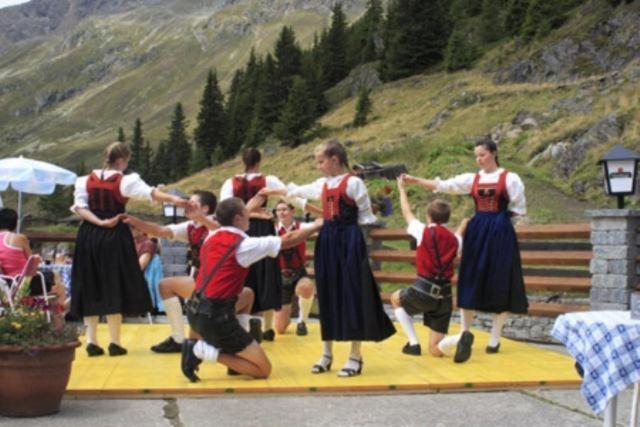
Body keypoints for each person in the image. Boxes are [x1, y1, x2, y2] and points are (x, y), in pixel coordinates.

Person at [265, 140, 395, 377]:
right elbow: (298, 191)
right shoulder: (322, 184)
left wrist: (352, 238)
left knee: (351, 293)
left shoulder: (354, 183)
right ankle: (327, 353)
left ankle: (355, 356)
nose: (318, 166)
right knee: (327, 292)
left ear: (335, 160)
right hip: (328, 241)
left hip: (350, 242)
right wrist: (277, 190)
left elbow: (365, 217)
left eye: (321, 161)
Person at [402, 135, 528, 363]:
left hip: (500, 231)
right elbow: (445, 185)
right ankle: (465, 332)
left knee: (501, 278)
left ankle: (494, 337)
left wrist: (503, 224)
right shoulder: (473, 179)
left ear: (493, 153)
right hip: (477, 231)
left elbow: (519, 209)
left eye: (482, 155)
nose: (479, 159)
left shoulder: (511, 178)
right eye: (476, 156)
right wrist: (416, 180)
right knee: (470, 277)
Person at [181, 197, 322, 382]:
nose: (250, 216)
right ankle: (202, 350)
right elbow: (288, 240)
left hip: (195, 309)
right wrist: (318, 225)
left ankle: (230, 354)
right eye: (247, 214)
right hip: (216, 319)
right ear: (238, 219)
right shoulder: (243, 245)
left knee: (247, 294)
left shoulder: (212, 235)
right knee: (262, 370)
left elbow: (223, 220)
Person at [70, 142, 188, 357]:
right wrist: (174, 199)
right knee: (114, 281)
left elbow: (80, 208)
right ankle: (115, 341)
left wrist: (99, 222)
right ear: (122, 160)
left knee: (91, 283)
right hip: (116, 233)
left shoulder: (84, 181)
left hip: (88, 234)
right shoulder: (126, 180)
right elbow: (151, 193)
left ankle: (91, 341)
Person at [123, 191, 258, 354]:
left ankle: (240, 337)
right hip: (203, 281)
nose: (187, 204)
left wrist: (200, 218)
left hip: (218, 283)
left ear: (206, 209)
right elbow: (161, 230)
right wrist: (134, 221)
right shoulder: (191, 227)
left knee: (246, 295)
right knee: (166, 286)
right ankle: (179, 338)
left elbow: (221, 231)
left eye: (192, 202)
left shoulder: (221, 224)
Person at [220, 148, 302, 342]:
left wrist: (250, 213)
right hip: (263, 227)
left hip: (241, 227)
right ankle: (267, 327)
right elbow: (288, 194)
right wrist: (260, 213)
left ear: (243, 161)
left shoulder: (230, 182)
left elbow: (225, 207)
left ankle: (245, 323)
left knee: (245, 273)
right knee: (266, 273)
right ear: (259, 161)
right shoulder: (268, 180)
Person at [390, 177, 470, 359]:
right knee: (435, 350)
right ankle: (460, 337)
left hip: (424, 290)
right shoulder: (454, 240)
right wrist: (463, 225)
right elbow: (457, 237)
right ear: (447, 218)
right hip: (446, 297)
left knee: (396, 299)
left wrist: (402, 190)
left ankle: (413, 343)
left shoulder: (423, 231)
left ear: (428, 216)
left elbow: (407, 213)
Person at [273, 200, 315, 336]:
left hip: (298, 272)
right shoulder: (271, 229)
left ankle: (302, 321)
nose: (281, 212)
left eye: (284, 209)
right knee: (280, 329)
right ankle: (286, 315)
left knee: (307, 286)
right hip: (279, 276)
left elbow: (320, 224)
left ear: (292, 211)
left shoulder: (301, 226)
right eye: (278, 210)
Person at [132, 227, 163, 313]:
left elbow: (140, 266)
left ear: (142, 230)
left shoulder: (148, 244)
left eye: (132, 228)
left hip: (138, 277)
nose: (129, 230)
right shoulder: (132, 243)